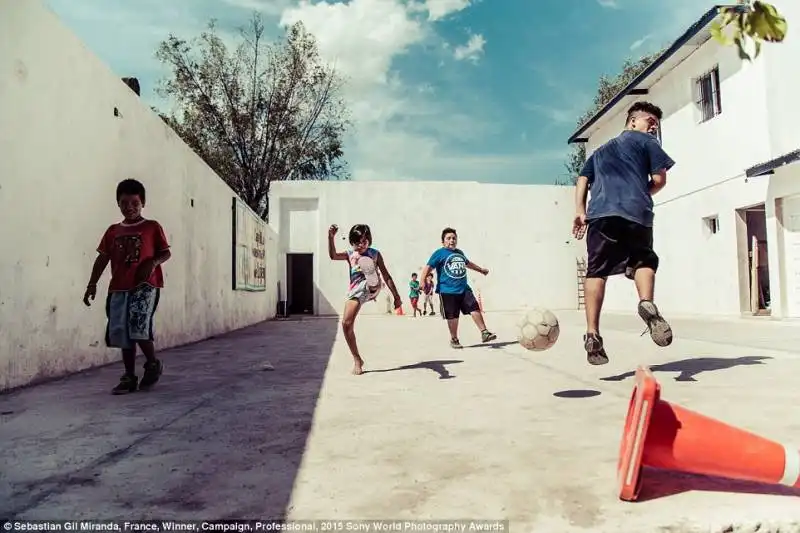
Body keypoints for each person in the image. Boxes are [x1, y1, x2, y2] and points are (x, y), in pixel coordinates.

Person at [572, 101, 675, 366]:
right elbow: (660, 180)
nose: (653, 127)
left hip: (600, 215)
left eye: (656, 124)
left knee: (596, 271)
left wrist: (580, 210)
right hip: (636, 213)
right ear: (632, 122)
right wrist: (642, 192)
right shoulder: (647, 142)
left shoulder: (599, 151)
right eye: (649, 121)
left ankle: (592, 333)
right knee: (644, 259)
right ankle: (646, 302)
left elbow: (583, 179)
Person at [83, 179, 171, 394]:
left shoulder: (152, 227)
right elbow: (102, 259)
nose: (129, 207)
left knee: (138, 328)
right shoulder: (113, 231)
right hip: (119, 288)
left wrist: (153, 262)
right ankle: (129, 376)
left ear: (143, 203)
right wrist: (92, 284)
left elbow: (165, 252)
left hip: (144, 286)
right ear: (118, 203)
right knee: (122, 333)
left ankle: (152, 363)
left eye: (135, 203)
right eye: (124, 203)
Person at [328, 223, 402, 375]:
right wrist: (330, 237)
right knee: (346, 324)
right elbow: (333, 255)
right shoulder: (350, 254)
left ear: (369, 240)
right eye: (357, 242)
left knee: (372, 284)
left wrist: (396, 296)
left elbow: (387, 276)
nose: (361, 245)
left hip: (370, 289)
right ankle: (357, 359)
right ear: (352, 242)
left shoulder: (375, 254)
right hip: (355, 291)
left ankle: (373, 282)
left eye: (364, 241)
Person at [420, 227, 496, 349]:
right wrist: (422, 280)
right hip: (447, 291)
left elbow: (468, 263)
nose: (452, 240)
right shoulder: (439, 253)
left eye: (454, 238)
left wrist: (481, 270)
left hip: (463, 288)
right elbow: (428, 267)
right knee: (453, 316)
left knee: (474, 307)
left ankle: (484, 332)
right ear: (443, 241)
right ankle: (454, 339)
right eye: (448, 238)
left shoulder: (459, 253)